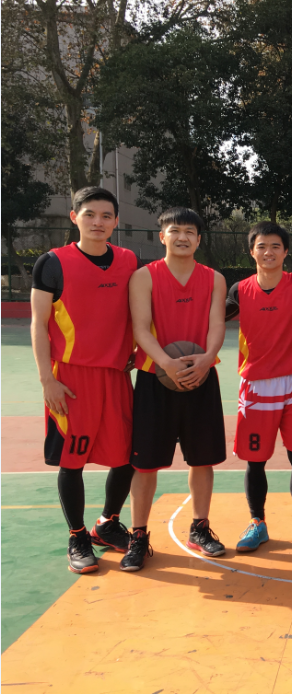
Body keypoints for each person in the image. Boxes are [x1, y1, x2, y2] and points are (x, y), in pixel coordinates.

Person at [30, 187, 136, 573]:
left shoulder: (129, 260)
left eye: (106, 216)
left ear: (116, 221)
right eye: (89, 214)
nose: (98, 222)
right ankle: (77, 535)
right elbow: (39, 324)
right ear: (74, 217)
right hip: (70, 378)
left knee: (127, 456)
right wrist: (47, 380)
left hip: (117, 375)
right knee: (71, 460)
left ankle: (107, 523)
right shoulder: (52, 263)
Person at [123, 207, 227, 571]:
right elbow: (140, 328)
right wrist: (166, 363)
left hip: (201, 376)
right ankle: (138, 535)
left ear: (199, 239)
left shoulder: (214, 278)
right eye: (175, 230)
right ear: (162, 236)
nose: (182, 237)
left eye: (190, 232)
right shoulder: (144, 277)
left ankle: (200, 527)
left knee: (203, 459)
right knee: (145, 464)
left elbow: (217, 325)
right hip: (156, 378)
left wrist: (207, 358)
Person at [225, 222, 292, 552]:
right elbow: (207, 318)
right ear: (252, 251)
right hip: (256, 387)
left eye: (276, 246)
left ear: (286, 251)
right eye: (262, 246)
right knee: (255, 461)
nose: (269, 252)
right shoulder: (239, 291)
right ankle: (257, 522)